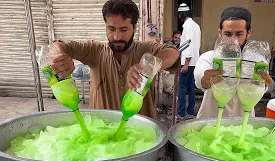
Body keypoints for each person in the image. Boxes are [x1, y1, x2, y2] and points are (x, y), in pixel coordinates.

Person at [49, 0, 179, 119]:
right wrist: (60, 57)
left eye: (123, 30)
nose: (117, 36)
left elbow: (172, 53)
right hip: (100, 134)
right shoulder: (95, 50)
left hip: (141, 134)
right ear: (106, 27)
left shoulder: (146, 49)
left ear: (134, 28)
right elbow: (58, 46)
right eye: (111, 29)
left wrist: (148, 66)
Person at [194, 6, 273, 118]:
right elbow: (200, 78)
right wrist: (205, 79)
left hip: (243, 126)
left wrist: (266, 85)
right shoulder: (209, 58)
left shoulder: (257, 62)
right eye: (228, 34)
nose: (233, 40)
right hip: (209, 124)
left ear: (249, 32)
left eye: (239, 34)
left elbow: (262, 87)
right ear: (220, 33)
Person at [177, 3, 201, 120]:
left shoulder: (188, 26)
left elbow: (189, 44)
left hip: (188, 62)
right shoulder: (196, 25)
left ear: (182, 14)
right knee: (191, 87)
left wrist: (186, 63)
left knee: (181, 88)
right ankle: (190, 111)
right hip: (194, 62)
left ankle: (181, 113)